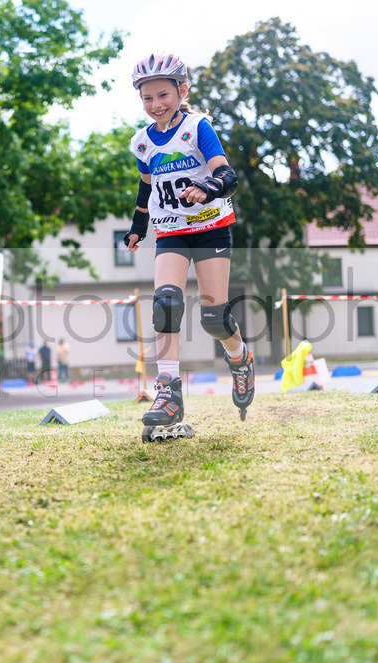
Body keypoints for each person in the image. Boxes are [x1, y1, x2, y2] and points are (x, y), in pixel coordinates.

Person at [123, 53, 253, 425]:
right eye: (147, 98)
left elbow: (227, 174)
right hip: (171, 233)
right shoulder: (142, 142)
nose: (155, 105)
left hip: (211, 227)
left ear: (182, 90)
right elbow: (146, 188)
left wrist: (209, 187)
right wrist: (137, 226)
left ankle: (240, 357)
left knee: (214, 318)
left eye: (163, 95)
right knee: (165, 303)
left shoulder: (198, 128)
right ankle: (169, 392)